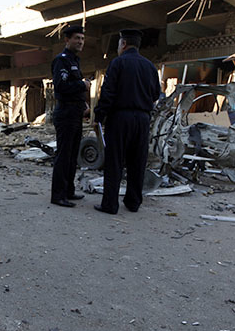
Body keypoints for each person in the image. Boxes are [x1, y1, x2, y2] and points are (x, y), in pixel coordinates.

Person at [93, 29, 161, 215]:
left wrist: (99, 116)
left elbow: (107, 93)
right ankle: (133, 202)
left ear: (123, 44)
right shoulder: (150, 67)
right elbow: (156, 94)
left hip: (120, 118)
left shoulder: (118, 63)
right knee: (137, 162)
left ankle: (110, 204)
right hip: (142, 119)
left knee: (114, 161)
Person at [50, 25, 91, 208]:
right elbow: (61, 87)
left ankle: (69, 190)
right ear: (67, 40)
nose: (80, 42)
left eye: (82, 39)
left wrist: (83, 105)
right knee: (64, 155)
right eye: (77, 38)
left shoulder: (75, 60)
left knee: (73, 155)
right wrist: (83, 86)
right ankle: (58, 195)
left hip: (75, 113)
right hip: (65, 113)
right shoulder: (62, 60)